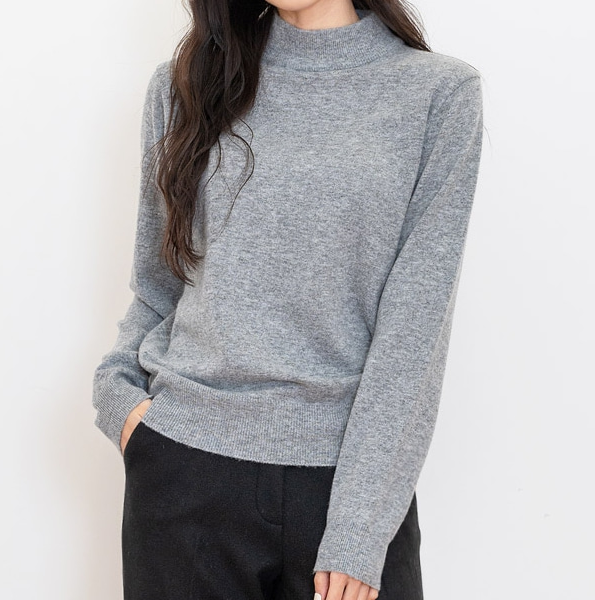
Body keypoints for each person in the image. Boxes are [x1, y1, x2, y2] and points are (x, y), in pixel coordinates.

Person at [91, 1, 484, 599]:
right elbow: (158, 283)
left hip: (345, 485)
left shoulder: (438, 94)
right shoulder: (185, 87)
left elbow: (414, 332)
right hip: (185, 472)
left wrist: (358, 527)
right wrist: (119, 398)